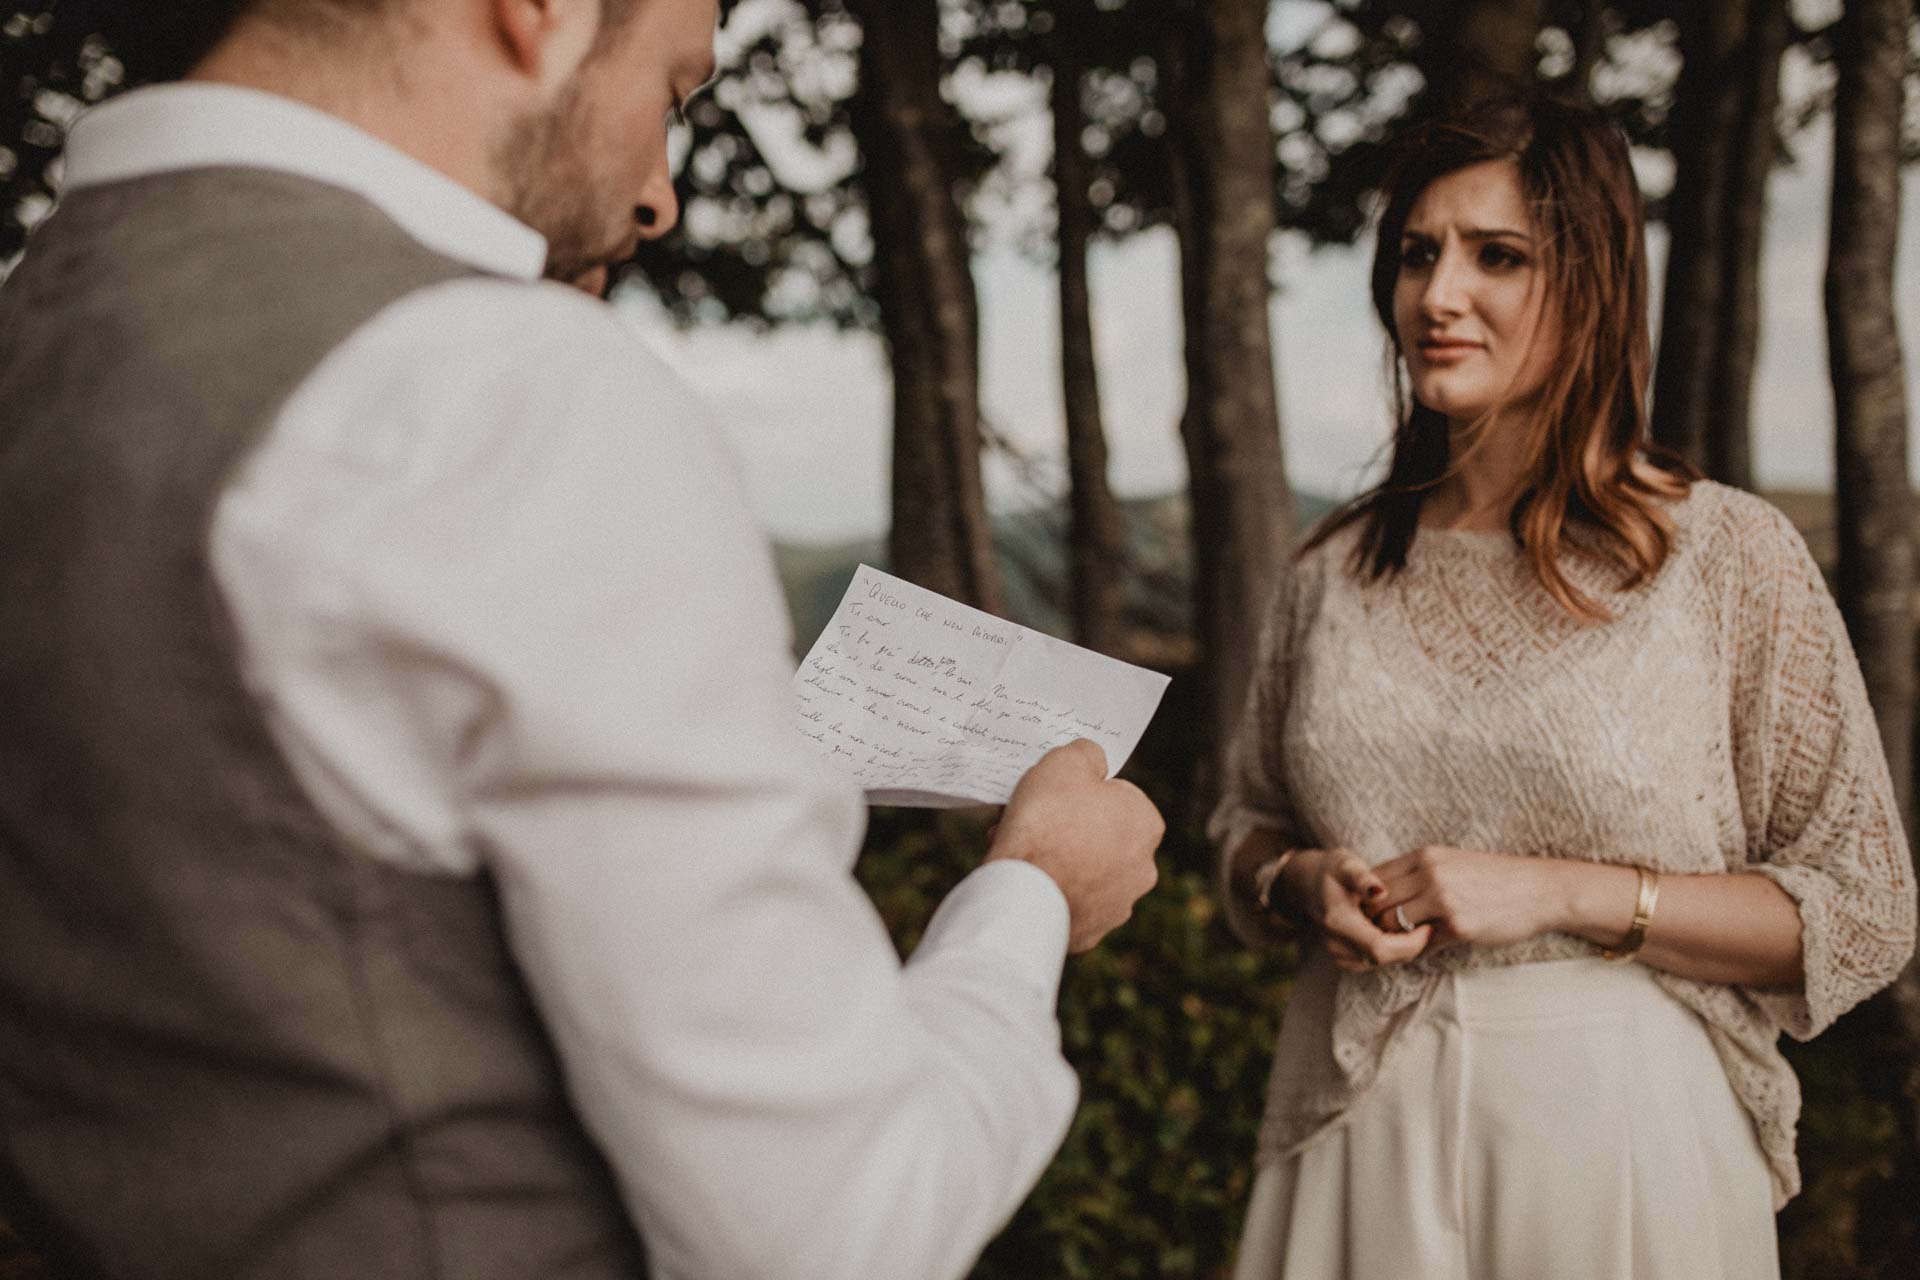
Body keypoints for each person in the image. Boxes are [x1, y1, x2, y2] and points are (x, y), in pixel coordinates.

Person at [0, 2, 1166, 1278]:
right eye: (671, 95)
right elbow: (839, 1227)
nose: (659, 198)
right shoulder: (496, 384)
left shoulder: (41, 323)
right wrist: (1035, 891)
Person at [1211, 96, 1917, 1279]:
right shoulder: (1332, 569)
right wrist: (1294, 880)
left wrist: (1556, 890)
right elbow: (1243, 820)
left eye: (1498, 256)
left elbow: (1862, 909)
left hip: (1621, 1139)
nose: (1439, 295)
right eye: (1417, 253)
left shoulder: (1726, 558)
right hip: (1354, 1118)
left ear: (1590, 282)